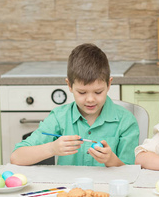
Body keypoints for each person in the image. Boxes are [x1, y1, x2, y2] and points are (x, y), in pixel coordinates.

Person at [11, 43, 139, 167]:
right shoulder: (59, 117)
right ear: (69, 85)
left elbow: (131, 172)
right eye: (82, 92)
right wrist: (52, 148)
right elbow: (16, 157)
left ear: (109, 84)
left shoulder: (126, 121)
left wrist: (111, 160)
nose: (90, 99)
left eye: (98, 92)